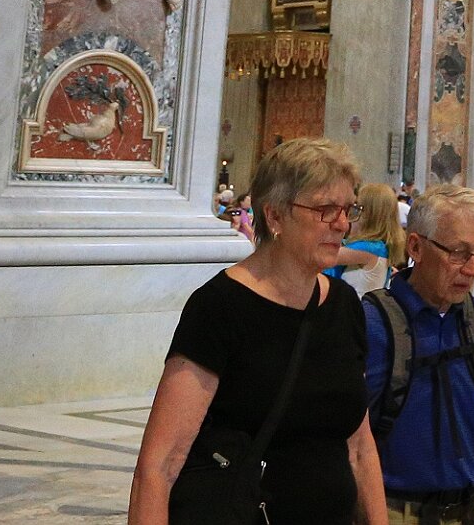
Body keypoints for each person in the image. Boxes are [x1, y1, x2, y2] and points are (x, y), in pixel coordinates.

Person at [129, 138, 379, 525]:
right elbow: (160, 465)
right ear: (274, 216)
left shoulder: (343, 305)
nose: (343, 224)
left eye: (348, 209)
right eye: (325, 210)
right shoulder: (220, 307)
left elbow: (360, 446)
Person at [352, 184, 474, 525]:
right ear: (416, 247)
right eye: (459, 253)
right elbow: (353, 448)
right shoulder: (371, 324)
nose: (472, 269)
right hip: (397, 511)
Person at [332, 182, 405, 293]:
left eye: (357, 208)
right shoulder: (379, 247)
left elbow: (325, 255)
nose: (352, 213)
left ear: (370, 215)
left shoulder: (370, 248)